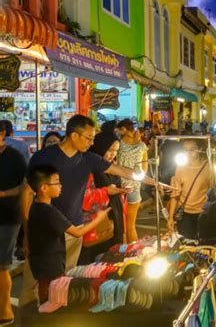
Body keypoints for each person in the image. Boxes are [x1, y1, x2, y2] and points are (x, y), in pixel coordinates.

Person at [19, 114, 155, 306]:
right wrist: (26, 231)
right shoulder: (44, 157)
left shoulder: (88, 159)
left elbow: (123, 171)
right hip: (45, 233)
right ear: (74, 136)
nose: (92, 143)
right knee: (33, 284)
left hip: (74, 229)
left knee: (64, 284)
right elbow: (26, 192)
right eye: (88, 138)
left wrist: (156, 183)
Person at [26, 165, 111, 303]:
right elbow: (77, 232)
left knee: (47, 297)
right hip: (51, 266)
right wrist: (99, 218)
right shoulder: (50, 213)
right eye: (57, 182)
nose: (60, 186)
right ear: (44, 188)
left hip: (42, 264)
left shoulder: (36, 207)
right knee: (52, 300)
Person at [79, 131, 130, 264]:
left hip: (115, 217)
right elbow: (84, 197)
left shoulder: (111, 166)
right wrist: (107, 191)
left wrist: (121, 192)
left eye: (116, 151)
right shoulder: (91, 166)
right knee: (94, 262)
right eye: (110, 150)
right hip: (96, 223)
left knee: (112, 259)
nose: (113, 154)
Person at [0, 120, 27, 325]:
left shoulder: (15, 157)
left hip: (8, 216)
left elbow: (24, 187)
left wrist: (3, 193)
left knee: (2, 265)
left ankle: (5, 310)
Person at [168, 139, 211, 240]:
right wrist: (170, 217)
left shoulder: (208, 167)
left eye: (192, 149)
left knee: (204, 244)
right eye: (185, 150)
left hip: (203, 213)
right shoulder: (180, 167)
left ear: (200, 149)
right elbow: (175, 194)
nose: (188, 153)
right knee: (187, 245)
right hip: (185, 214)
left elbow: (213, 191)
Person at [116, 118, 149, 243]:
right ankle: (133, 253)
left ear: (124, 129)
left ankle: (122, 253)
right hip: (134, 187)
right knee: (131, 226)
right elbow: (144, 169)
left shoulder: (118, 144)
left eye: (119, 129)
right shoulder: (142, 146)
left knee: (121, 226)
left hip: (119, 187)